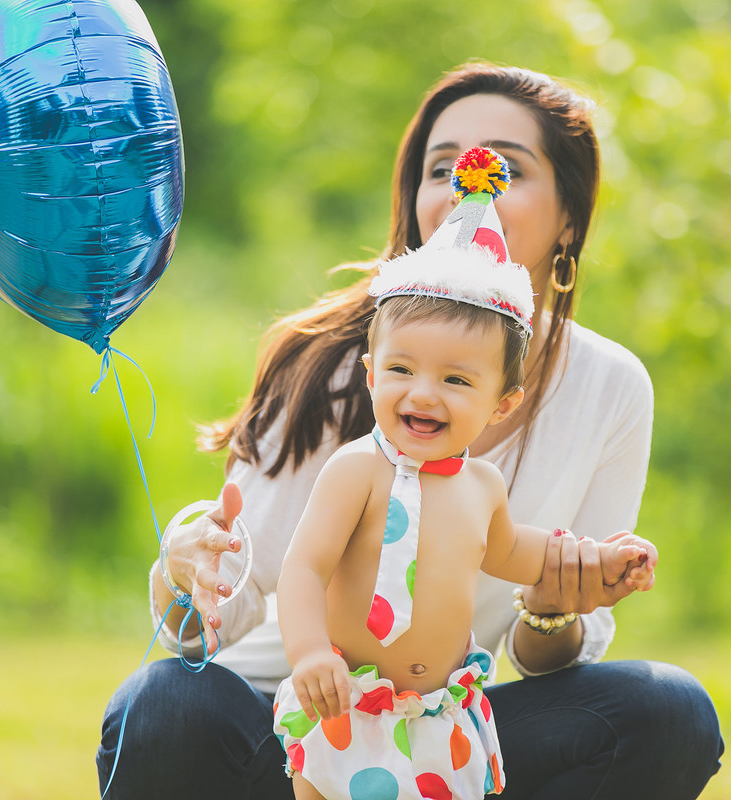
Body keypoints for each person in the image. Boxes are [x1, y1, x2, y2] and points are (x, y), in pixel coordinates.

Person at [98, 60, 724, 800]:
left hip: (438, 734)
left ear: (568, 219)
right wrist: (186, 575)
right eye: (444, 168)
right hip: (287, 729)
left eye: (504, 170)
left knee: (666, 710)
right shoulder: (328, 363)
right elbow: (232, 604)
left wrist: (561, 601)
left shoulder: (610, 388)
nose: (468, 187)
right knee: (166, 701)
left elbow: (543, 645)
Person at [272, 147, 657, 800]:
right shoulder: (357, 471)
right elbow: (303, 568)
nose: (424, 394)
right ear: (371, 375)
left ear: (500, 404)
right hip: (349, 703)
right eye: (401, 370)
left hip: (439, 714)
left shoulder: (481, 487)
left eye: (456, 380)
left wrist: (595, 558)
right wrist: (310, 653)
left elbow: (514, 551)